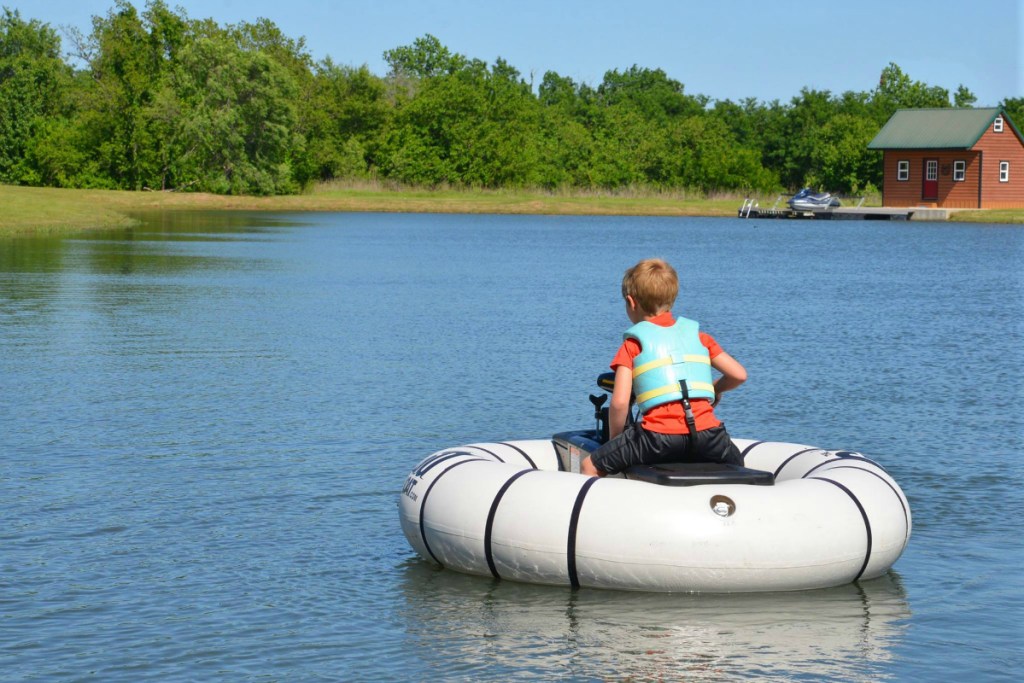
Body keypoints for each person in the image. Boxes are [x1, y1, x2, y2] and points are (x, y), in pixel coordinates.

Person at [580, 258, 747, 477]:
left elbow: (620, 403)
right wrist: (716, 389)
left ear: (631, 302)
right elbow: (739, 375)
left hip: (658, 438)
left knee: (589, 466)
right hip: (710, 436)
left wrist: (615, 442)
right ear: (672, 299)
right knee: (740, 467)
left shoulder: (633, 345)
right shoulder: (699, 337)